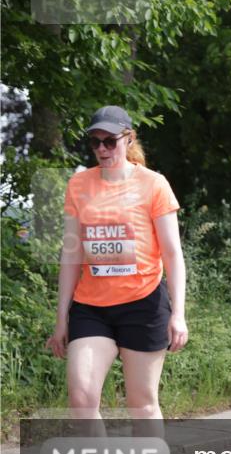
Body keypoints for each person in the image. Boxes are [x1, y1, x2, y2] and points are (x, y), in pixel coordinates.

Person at [45, 106, 188, 432]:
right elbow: (71, 256)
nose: (102, 149)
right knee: (81, 399)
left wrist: (178, 313)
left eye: (109, 141)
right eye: (95, 143)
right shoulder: (79, 185)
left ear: (128, 139)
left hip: (143, 304)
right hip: (91, 308)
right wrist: (61, 318)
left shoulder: (154, 185)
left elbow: (172, 255)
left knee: (142, 403)